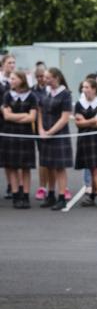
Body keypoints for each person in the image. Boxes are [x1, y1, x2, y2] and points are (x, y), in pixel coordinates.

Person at [38, 67, 73, 211]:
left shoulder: (65, 94)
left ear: (56, 78)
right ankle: (50, 194)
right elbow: (40, 112)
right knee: (48, 165)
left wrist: (50, 132)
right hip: (45, 134)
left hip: (58, 135)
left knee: (59, 167)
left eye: (47, 77)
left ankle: (61, 197)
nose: (44, 80)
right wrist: (40, 129)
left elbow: (65, 118)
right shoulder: (45, 92)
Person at [1, 69, 38, 208]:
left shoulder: (31, 96)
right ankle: (16, 195)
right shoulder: (7, 95)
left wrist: (14, 116)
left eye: (13, 78)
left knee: (25, 167)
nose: (11, 81)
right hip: (10, 135)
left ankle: (25, 196)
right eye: (10, 78)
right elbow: (6, 116)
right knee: (12, 167)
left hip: (25, 135)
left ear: (21, 80)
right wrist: (23, 115)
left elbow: (32, 117)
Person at [74, 76, 97, 206]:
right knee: (93, 168)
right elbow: (78, 124)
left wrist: (86, 122)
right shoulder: (79, 104)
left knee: (95, 168)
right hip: (85, 140)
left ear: (94, 89)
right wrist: (93, 120)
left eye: (87, 87)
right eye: (83, 87)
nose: (84, 89)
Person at [31, 63, 49, 202]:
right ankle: (42, 186)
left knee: (53, 160)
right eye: (38, 77)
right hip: (38, 128)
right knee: (42, 158)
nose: (40, 79)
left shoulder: (51, 89)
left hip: (52, 127)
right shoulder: (33, 91)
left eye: (42, 76)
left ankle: (54, 186)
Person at [1, 52, 17, 199]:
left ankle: (14, 186)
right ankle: (10, 184)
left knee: (13, 156)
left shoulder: (17, 80)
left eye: (13, 63)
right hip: (2, 122)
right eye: (9, 63)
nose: (12, 65)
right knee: (5, 157)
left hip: (13, 124)